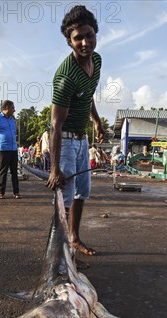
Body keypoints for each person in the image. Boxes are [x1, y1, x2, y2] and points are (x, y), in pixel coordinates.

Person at [46, 5, 105, 258]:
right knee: (65, 200)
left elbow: (88, 95)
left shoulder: (98, 61)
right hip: (66, 141)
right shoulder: (65, 76)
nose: (85, 42)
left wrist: (97, 121)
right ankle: (60, 258)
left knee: (83, 192)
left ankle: (74, 238)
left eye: (88, 35)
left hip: (82, 141)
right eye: (77, 38)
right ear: (69, 42)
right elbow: (55, 125)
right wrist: (54, 167)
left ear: (95, 33)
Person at [0, 100, 21, 199]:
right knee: (3, 171)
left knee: (14, 171)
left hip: (13, 148)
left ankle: (16, 192)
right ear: (6, 107)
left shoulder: (12, 120)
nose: (14, 110)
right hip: (3, 148)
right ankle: (1, 193)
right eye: (12, 108)